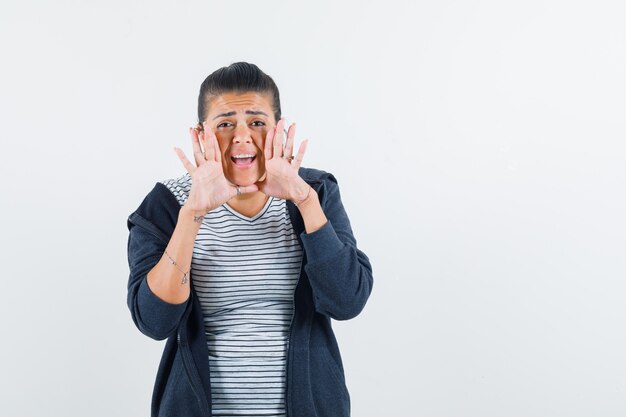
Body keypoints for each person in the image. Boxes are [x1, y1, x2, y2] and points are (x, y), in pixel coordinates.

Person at [126, 62, 373, 417]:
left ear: (279, 129)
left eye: (257, 122)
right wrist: (193, 213)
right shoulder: (167, 204)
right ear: (200, 134)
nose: (242, 137)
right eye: (225, 123)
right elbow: (154, 320)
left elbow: (348, 300)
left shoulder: (314, 191)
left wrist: (303, 199)